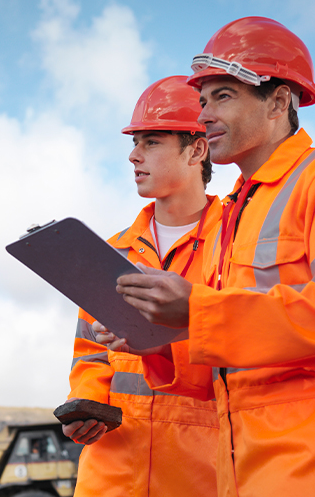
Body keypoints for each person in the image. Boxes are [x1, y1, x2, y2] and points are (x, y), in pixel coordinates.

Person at [104, 17, 315, 497]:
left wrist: (196, 310)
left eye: (223, 95)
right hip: (240, 467)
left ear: (279, 102)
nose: (204, 114)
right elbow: (226, 368)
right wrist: (160, 345)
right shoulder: (233, 215)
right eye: (203, 100)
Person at [63, 75, 222, 497]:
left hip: (200, 474)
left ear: (198, 149)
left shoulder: (236, 245)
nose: (134, 156)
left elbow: (244, 352)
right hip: (111, 475)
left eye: (151, 142)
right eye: (135, 143)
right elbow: (90, 354)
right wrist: (87, 405)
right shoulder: (114, 252)